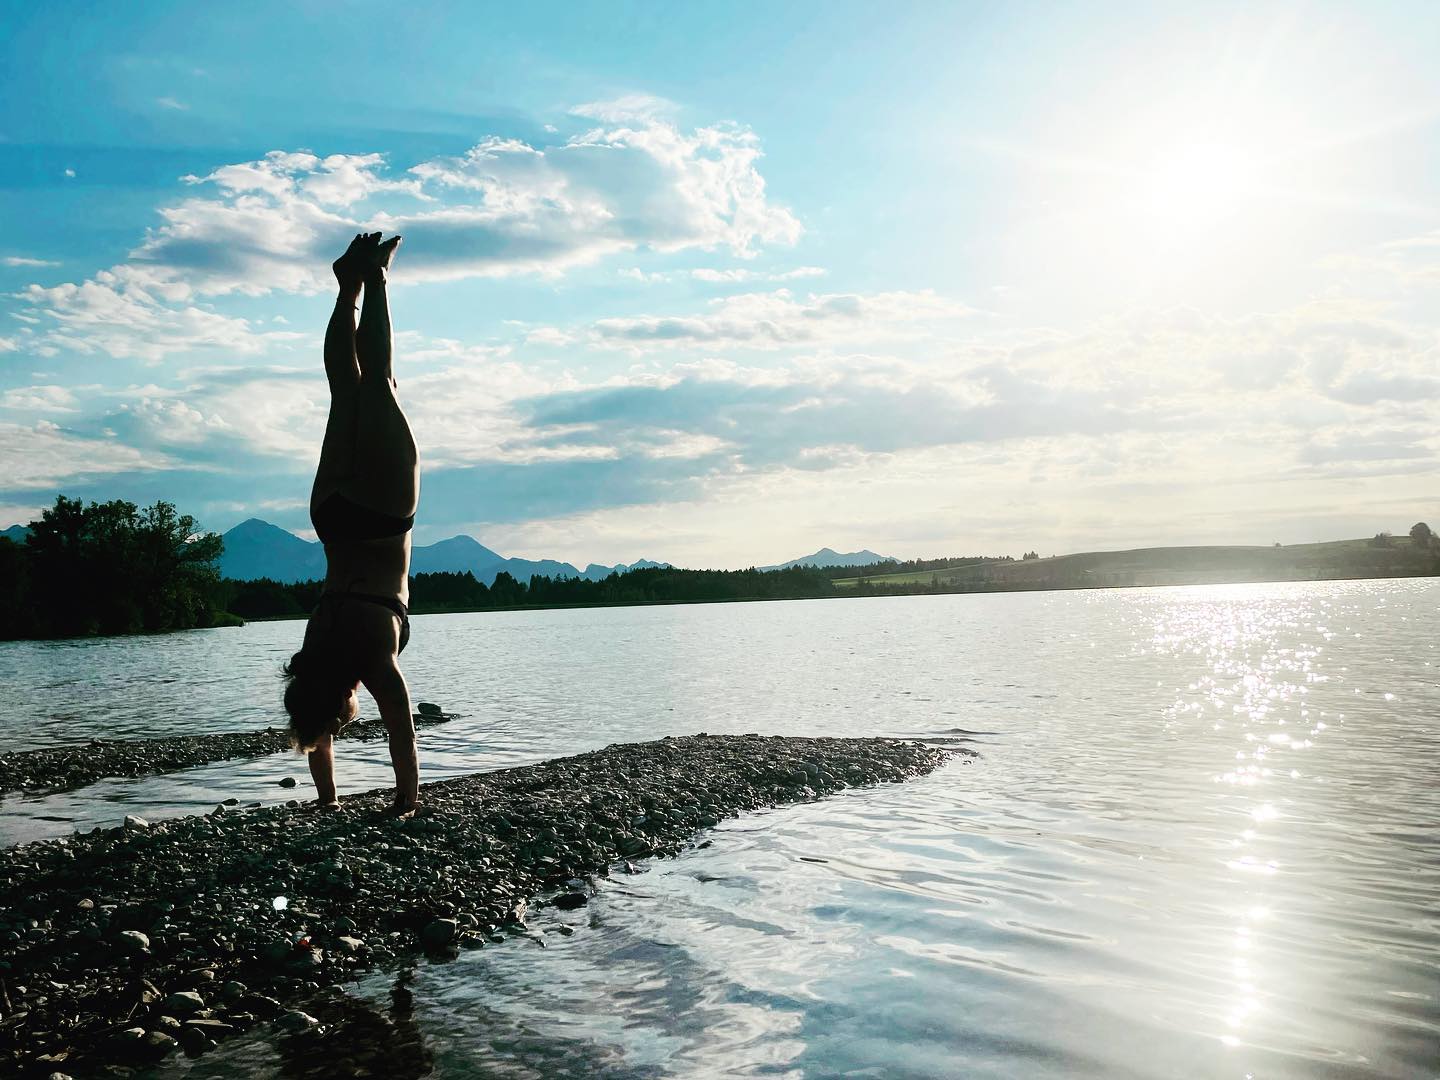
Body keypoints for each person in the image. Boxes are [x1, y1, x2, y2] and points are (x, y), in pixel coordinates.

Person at [281, 232, 421, 815]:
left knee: (376, 382)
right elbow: (330, 721)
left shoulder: (363, 655)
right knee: (346, 391)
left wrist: (405, 802)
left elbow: (401, 728)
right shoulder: (318, 648)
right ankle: (349, 287)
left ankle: (377, 280)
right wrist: (340, 801)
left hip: (381, 519)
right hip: (332, 519)